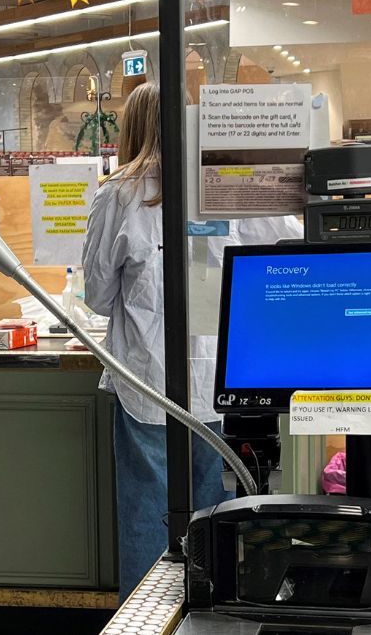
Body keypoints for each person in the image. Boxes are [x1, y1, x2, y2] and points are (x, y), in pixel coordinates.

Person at [81, 83, 303, 600]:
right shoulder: (224, 183)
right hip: (211, 376)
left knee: (145, 513)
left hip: (146, 379)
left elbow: (95, 294)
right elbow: (285, 247)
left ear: (132, 129)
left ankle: (142, 620)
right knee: (205, 510)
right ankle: (200, 609)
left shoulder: (119, 194)